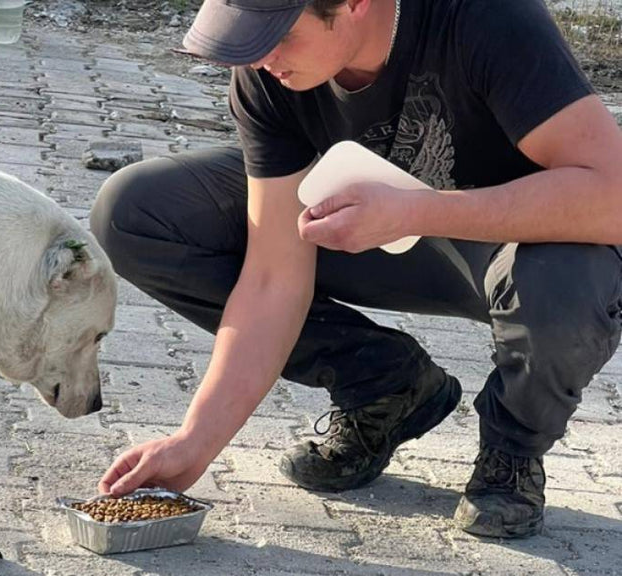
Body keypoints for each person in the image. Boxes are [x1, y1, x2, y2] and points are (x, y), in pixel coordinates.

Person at [89, 0, 622, 538]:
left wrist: (419, 210)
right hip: (375, 233)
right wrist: (194, 442)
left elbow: (614, 198)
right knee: (136, 211)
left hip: (519, 250)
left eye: (278, 34)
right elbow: (273, 276)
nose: (261, 57)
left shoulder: (487, 19)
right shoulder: (266, 70)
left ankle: (513, 452)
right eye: (248, 36)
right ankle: (387, 386)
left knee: (570, 279)